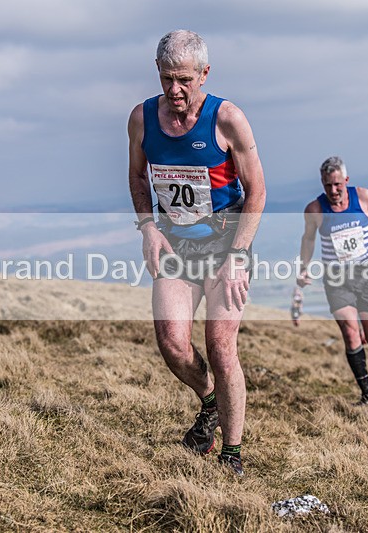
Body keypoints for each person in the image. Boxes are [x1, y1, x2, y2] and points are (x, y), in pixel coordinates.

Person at [127, 30, 266, 476]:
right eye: (167, 78)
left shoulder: (227, 119)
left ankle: (232, 452)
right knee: (171, 342)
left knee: (221, 347)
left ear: (205, 74)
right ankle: (210, 404)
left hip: (227, 242)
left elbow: (258, 190)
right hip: (175, 245)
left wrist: (239, 255)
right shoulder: (142, 119)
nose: (175, 90)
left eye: (185, 79)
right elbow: (137, 178)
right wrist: (148, 228)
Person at [297, 156, 368, 404]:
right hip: (336, 279)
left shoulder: (363, 198)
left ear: (346, 181)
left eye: (337, 185)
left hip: (366, 276)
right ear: (322, 183)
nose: (333, 190)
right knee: (351, 334)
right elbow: (308, 239)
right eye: (327, 185)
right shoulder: (315, 209)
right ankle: (367, 395)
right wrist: (304, 267)